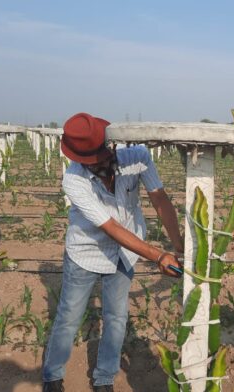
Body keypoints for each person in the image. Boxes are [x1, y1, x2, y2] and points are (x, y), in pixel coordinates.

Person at [42, 113, 184, 392]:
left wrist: (178, 245)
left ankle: (104, 379)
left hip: (124, 254)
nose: (104, 163)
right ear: (81, 160)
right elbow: (110, 228)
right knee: (69, 316)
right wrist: (157, 255)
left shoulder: (137, 156)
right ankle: (52, 376)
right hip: (86, 251)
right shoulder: (74, 180)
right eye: (94, 162)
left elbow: (160, 199)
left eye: (106, 155)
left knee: (116, 318)